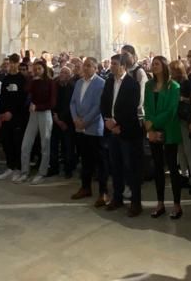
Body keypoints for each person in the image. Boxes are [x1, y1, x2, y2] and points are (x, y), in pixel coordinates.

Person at [101, 54, 144, 217]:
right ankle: (117, 198)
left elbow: (131, 108)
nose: (111, 66)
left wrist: (118, 124)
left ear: (124, 66)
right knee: (115, 166)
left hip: (127, 132)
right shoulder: (109, 81)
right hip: (112, 130)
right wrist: (107, 120)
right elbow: (104, 102)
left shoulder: (132, 84)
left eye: (115, 64)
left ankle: (136, 202)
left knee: (131, 168)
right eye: (111, 63)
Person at [144, 55, 182, 219]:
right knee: (157, 168)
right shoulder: (148, 85)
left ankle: (177, 205)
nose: (154, 66)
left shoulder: (173, 86)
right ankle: (160, 203)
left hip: (169, 130)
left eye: (157, 64)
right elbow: (146, 105)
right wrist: (150, 127)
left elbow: (171, 111)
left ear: (164, 66)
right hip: (153, 130)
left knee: (173, 168)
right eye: (153, 64)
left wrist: (154, 124)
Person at [70, 57, 106, 205]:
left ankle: (103, 192)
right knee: (85, 160)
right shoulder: (79, 82)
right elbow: (72, 102)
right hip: (80, 128)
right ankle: (85, 187)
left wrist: (85, 121)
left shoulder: (100, 83)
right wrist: (75, 119)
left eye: (89, 66)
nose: (85, 68)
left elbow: (98, 106)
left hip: (93, 128)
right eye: (84, 65)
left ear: (95, 68)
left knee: (100, 162)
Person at [18, 59, 56, 184]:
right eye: (35, 69)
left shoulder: (50, 82)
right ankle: (24, 172)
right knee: (26, 144)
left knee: (45, 144)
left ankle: (42, 173)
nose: (37, 71)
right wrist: (32, 80)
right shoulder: (33, 81)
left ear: (44, 69)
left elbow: (52, 103)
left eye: (39, 68)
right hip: (33, 114)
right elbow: (26, 90)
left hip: (45, 114)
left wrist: (38, 107)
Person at [171, 58, 191, 194]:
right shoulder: (172, 83)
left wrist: (181, 98)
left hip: (185, 119)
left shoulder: (187, 82)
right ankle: (184, 174)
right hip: (176, 119)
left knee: (188, 150)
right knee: (180, 150)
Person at [0, 57, 29, 180]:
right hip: (5, 117)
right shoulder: (6, 79)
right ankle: (10, 167)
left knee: (17, 143)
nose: (12, 65)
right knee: (6, 142)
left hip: (17, 117)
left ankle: (18, 169)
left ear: (17, 64)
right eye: (10, 63)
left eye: (15, 63)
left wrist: (12, 113)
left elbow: (22, 99)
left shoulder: (22, 79)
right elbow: (3, 98)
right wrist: (1, 115)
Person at [49, 65, 77, 179]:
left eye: (65, 73)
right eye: (61, 72)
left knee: (68, 146)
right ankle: (54, 168)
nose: (62, 75)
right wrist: (55, 117)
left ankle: (68, 169)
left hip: (67, 121)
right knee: (53, 145)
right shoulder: (55, 86)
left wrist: (61, 119)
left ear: (70, 76)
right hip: (55, 118)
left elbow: (71, 105)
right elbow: (52, 101)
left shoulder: (72, 87)